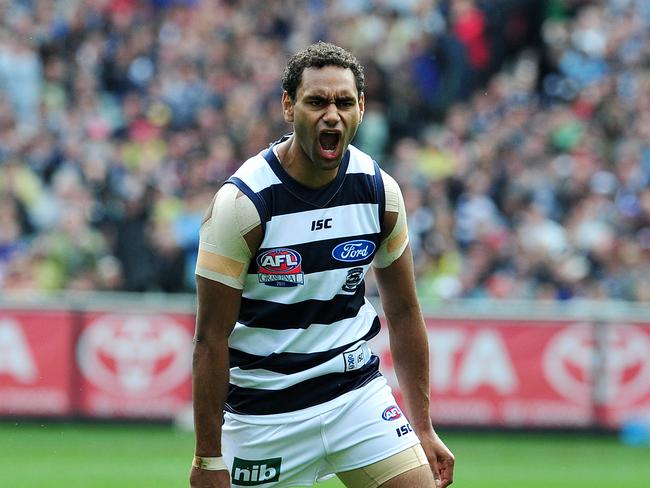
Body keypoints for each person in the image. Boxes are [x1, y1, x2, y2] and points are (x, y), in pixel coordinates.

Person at [191, 41, 455, 488]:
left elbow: (405, 311)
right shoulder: (244, 203)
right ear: (289, 107)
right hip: (264, 416)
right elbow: (210, 340)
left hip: (355, 397)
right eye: (317, 101)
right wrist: (208, 457)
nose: (331, 114)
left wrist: (423, 425)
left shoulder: (378, 191)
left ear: (361, 108)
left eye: (344, 102)